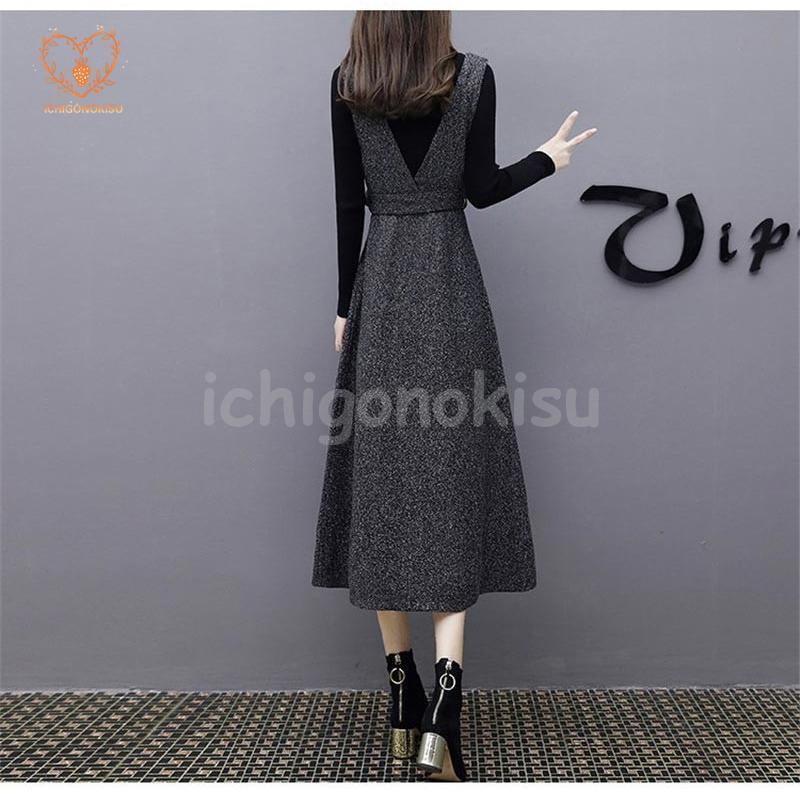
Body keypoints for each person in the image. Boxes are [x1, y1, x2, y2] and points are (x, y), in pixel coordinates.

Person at [312, 10, 597, 781]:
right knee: (448, 485)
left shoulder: (348, 84)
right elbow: (482, 189)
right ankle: (446, 703)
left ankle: (401, 696)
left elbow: (347, 205)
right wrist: (547, 160)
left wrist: (343, 309)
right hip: (451, 294)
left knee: (382, 486)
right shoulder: (471, 77)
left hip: (381, 291)